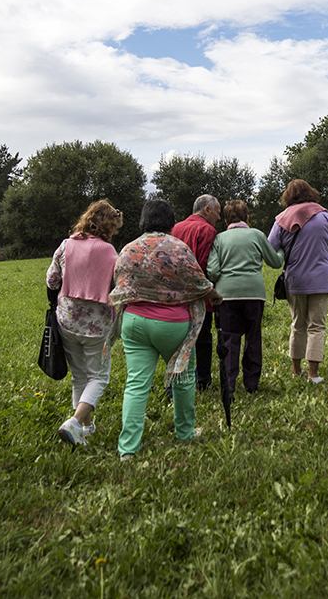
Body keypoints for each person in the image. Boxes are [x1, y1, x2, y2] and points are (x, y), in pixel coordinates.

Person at [109, 200, 222, 458]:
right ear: (170, 221)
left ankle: (128, 448)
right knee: (182, 378)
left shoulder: (128, 249)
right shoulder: (177, 247)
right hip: (172, 324)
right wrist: (215, 294)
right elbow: (198, 282)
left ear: (143, 221)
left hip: (134, 322)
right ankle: (185, 432)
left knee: (136, 384)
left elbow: (119, 282)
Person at [46, 200, 123, 447]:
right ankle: (75, 422)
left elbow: (51, 280)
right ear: (108, 225)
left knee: (79, 376)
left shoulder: (66, 245)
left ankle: (85, 429)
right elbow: (118, 286)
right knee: (99, 377)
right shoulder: (109, 251)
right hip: (97, 324)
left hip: (67, 320)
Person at [268, 179, 328, 384]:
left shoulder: (281, 219)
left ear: (288, 196)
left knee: (298, 325)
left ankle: (296, 371)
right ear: (310, 192)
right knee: (317, 326)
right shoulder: (324, 216)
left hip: (294, 281)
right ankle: (313, 374)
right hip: (321, 279)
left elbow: (270, 249)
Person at [207, 200, 283, 399]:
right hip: (254, 293)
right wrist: (282, 251)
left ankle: (229, 385)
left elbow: (212, 271)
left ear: (225, 220)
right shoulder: (257, 235)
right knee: (253, 337)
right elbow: (275, 262)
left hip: (226, 296)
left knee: (230, 341)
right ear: (247, 218)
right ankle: (251, 384)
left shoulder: (219, 239)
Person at [172, 195, 221, 390]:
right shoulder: (207, 230)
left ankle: (177, 377)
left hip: (176, 295)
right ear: (207, 209)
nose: (219, 217)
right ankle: (202, 379)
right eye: (217, 212)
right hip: (200, 295)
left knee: (179, 339)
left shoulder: (176, 228)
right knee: (203, 337)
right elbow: (205, 263)